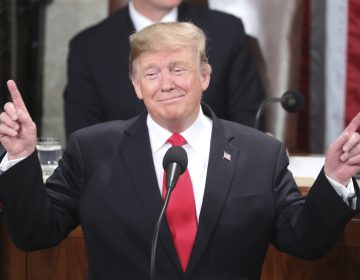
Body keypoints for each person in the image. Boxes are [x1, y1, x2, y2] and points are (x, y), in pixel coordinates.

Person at [0, 22, 359, 280]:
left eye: (178, 69)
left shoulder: (260, 154)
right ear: (136, 86)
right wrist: (19, 156)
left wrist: (335, 180)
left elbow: (304, 242)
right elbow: (35, 234)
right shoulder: (91, 149)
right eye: (151, 73)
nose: (166, 83)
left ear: (204, 76)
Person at [64, 0, 265, 138]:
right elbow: (84, 136)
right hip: (125, 181)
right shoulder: (89, 47)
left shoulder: (226, 30)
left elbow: (248, 118)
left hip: (215, 176)